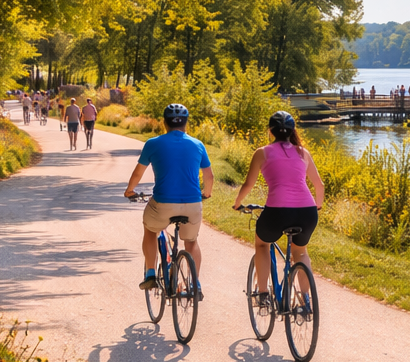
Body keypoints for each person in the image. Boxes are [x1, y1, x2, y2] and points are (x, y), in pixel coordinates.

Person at [233, 111, 324, 305]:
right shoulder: (303, 152)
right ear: (292, 130)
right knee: (300, 252)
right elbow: (319, 185)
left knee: (262, 244)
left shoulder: (262, 152)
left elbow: (248, 184)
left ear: (270, 130)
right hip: (307, 212)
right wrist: (318, 206)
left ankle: (263, 294)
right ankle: (305, 300)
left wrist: (237, 203)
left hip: (277, 211)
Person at [124, 103, 213, 293]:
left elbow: (138, 173)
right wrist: (206, 193)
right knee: (191, 241)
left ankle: (150, 273)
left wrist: (130, 190)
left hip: (163, 203)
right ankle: (194, 282)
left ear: (164, 123)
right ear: (186, 123)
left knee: (150, 229)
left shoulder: (153, 143)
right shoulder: (198, 144)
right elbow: (209, 176)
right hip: (192, 204)